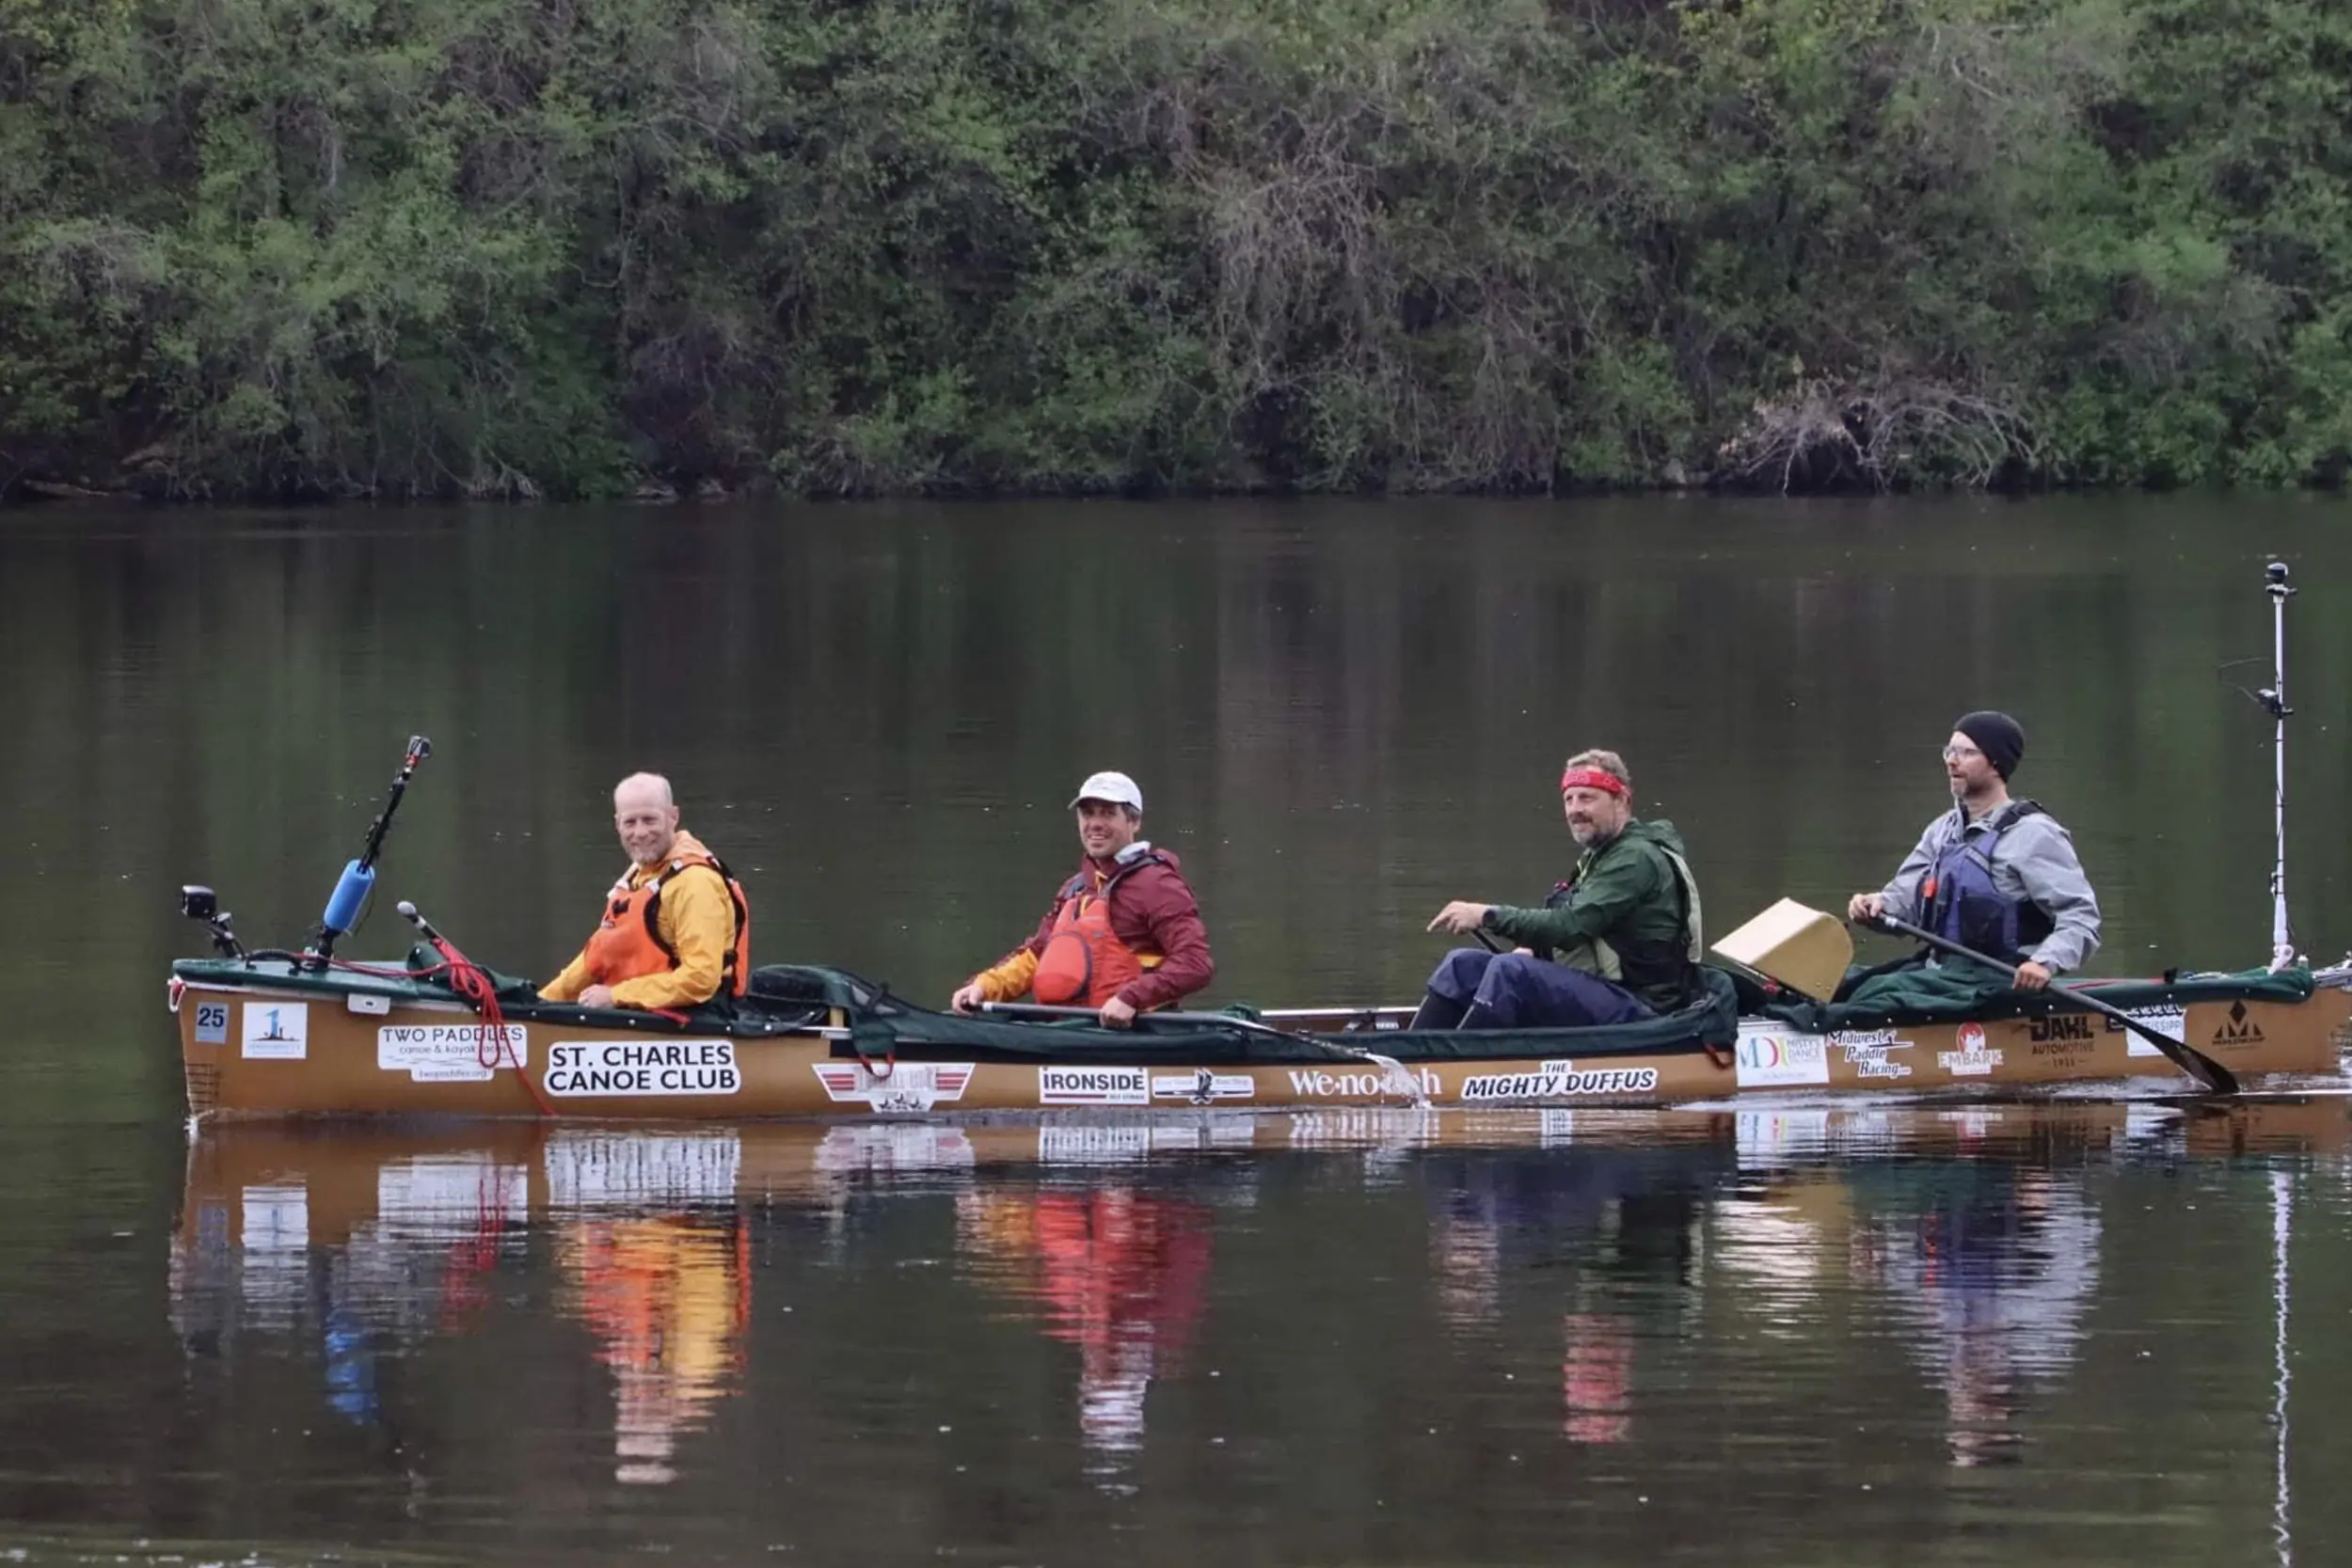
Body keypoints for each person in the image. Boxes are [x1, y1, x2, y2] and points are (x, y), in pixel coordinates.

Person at [1417, 749, 1704, 1030]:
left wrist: (1488, 916)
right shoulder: (1602, 855)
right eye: (1569, 799)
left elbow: (1571, 926)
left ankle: (1454, 1067)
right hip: (1605, 991)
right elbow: (1587, 926)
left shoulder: (1635, 859)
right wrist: (1534, 950)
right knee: (1461, 966)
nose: (1575, 810)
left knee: (1509, 973)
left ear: (1622, 801)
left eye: (1587, 798)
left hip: (1642, 1006)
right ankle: (1412, 1057)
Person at [1846, 711, 2101, 991]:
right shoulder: (1942, 830)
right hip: (1941, 973)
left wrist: (2044, 962)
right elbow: (1904, 900)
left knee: (1874, 995)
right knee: (1844, 983)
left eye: (1967, 752)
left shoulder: (2034, 835)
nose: (1952, 761)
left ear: (1995, 764)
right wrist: (1877, 906)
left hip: (2000, 982)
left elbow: (2081, 918)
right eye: (1950, 751)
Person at [950, 770, 1215, 1028]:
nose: (1095, 824)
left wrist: (1132, 998)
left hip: (1132, 1036)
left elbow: (1195, 964)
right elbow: (1036, 955)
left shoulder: (1157, 885)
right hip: (1070, 1032)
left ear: (1134, 822)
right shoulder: (1076, 887)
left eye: (1108, 814)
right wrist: (985, 987)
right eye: (1088, 814)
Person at [540, 772, 751, 1011]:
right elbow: (596, 958)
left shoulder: (696, 883)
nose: (639, 833)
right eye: (630, 822)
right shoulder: (641, 875)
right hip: (647, 1011)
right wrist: (541, 1002)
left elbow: (701, 979)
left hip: (696, 1018)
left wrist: (616, 995)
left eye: (650, 820)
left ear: (673, 817)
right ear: (617, 823)